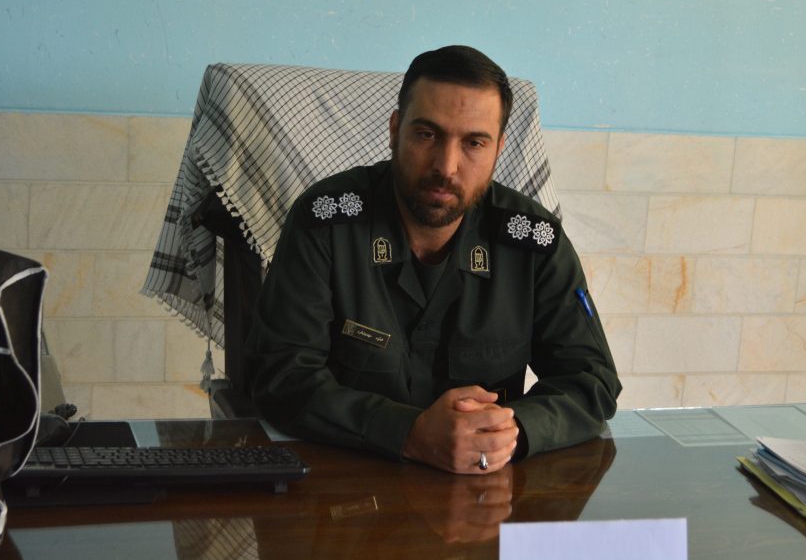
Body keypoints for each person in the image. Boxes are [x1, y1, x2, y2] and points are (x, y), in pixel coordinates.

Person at [248, 45, 621, 475]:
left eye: (474, 143)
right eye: (427, 135)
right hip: (348, 484)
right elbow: (281, 376)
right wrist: (409, 433)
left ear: (498, 149)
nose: (446, 166)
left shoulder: (532, 241)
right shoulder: (327, 222)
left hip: (484, 487)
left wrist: (508, 432)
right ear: (395, 130)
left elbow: (592, 381)